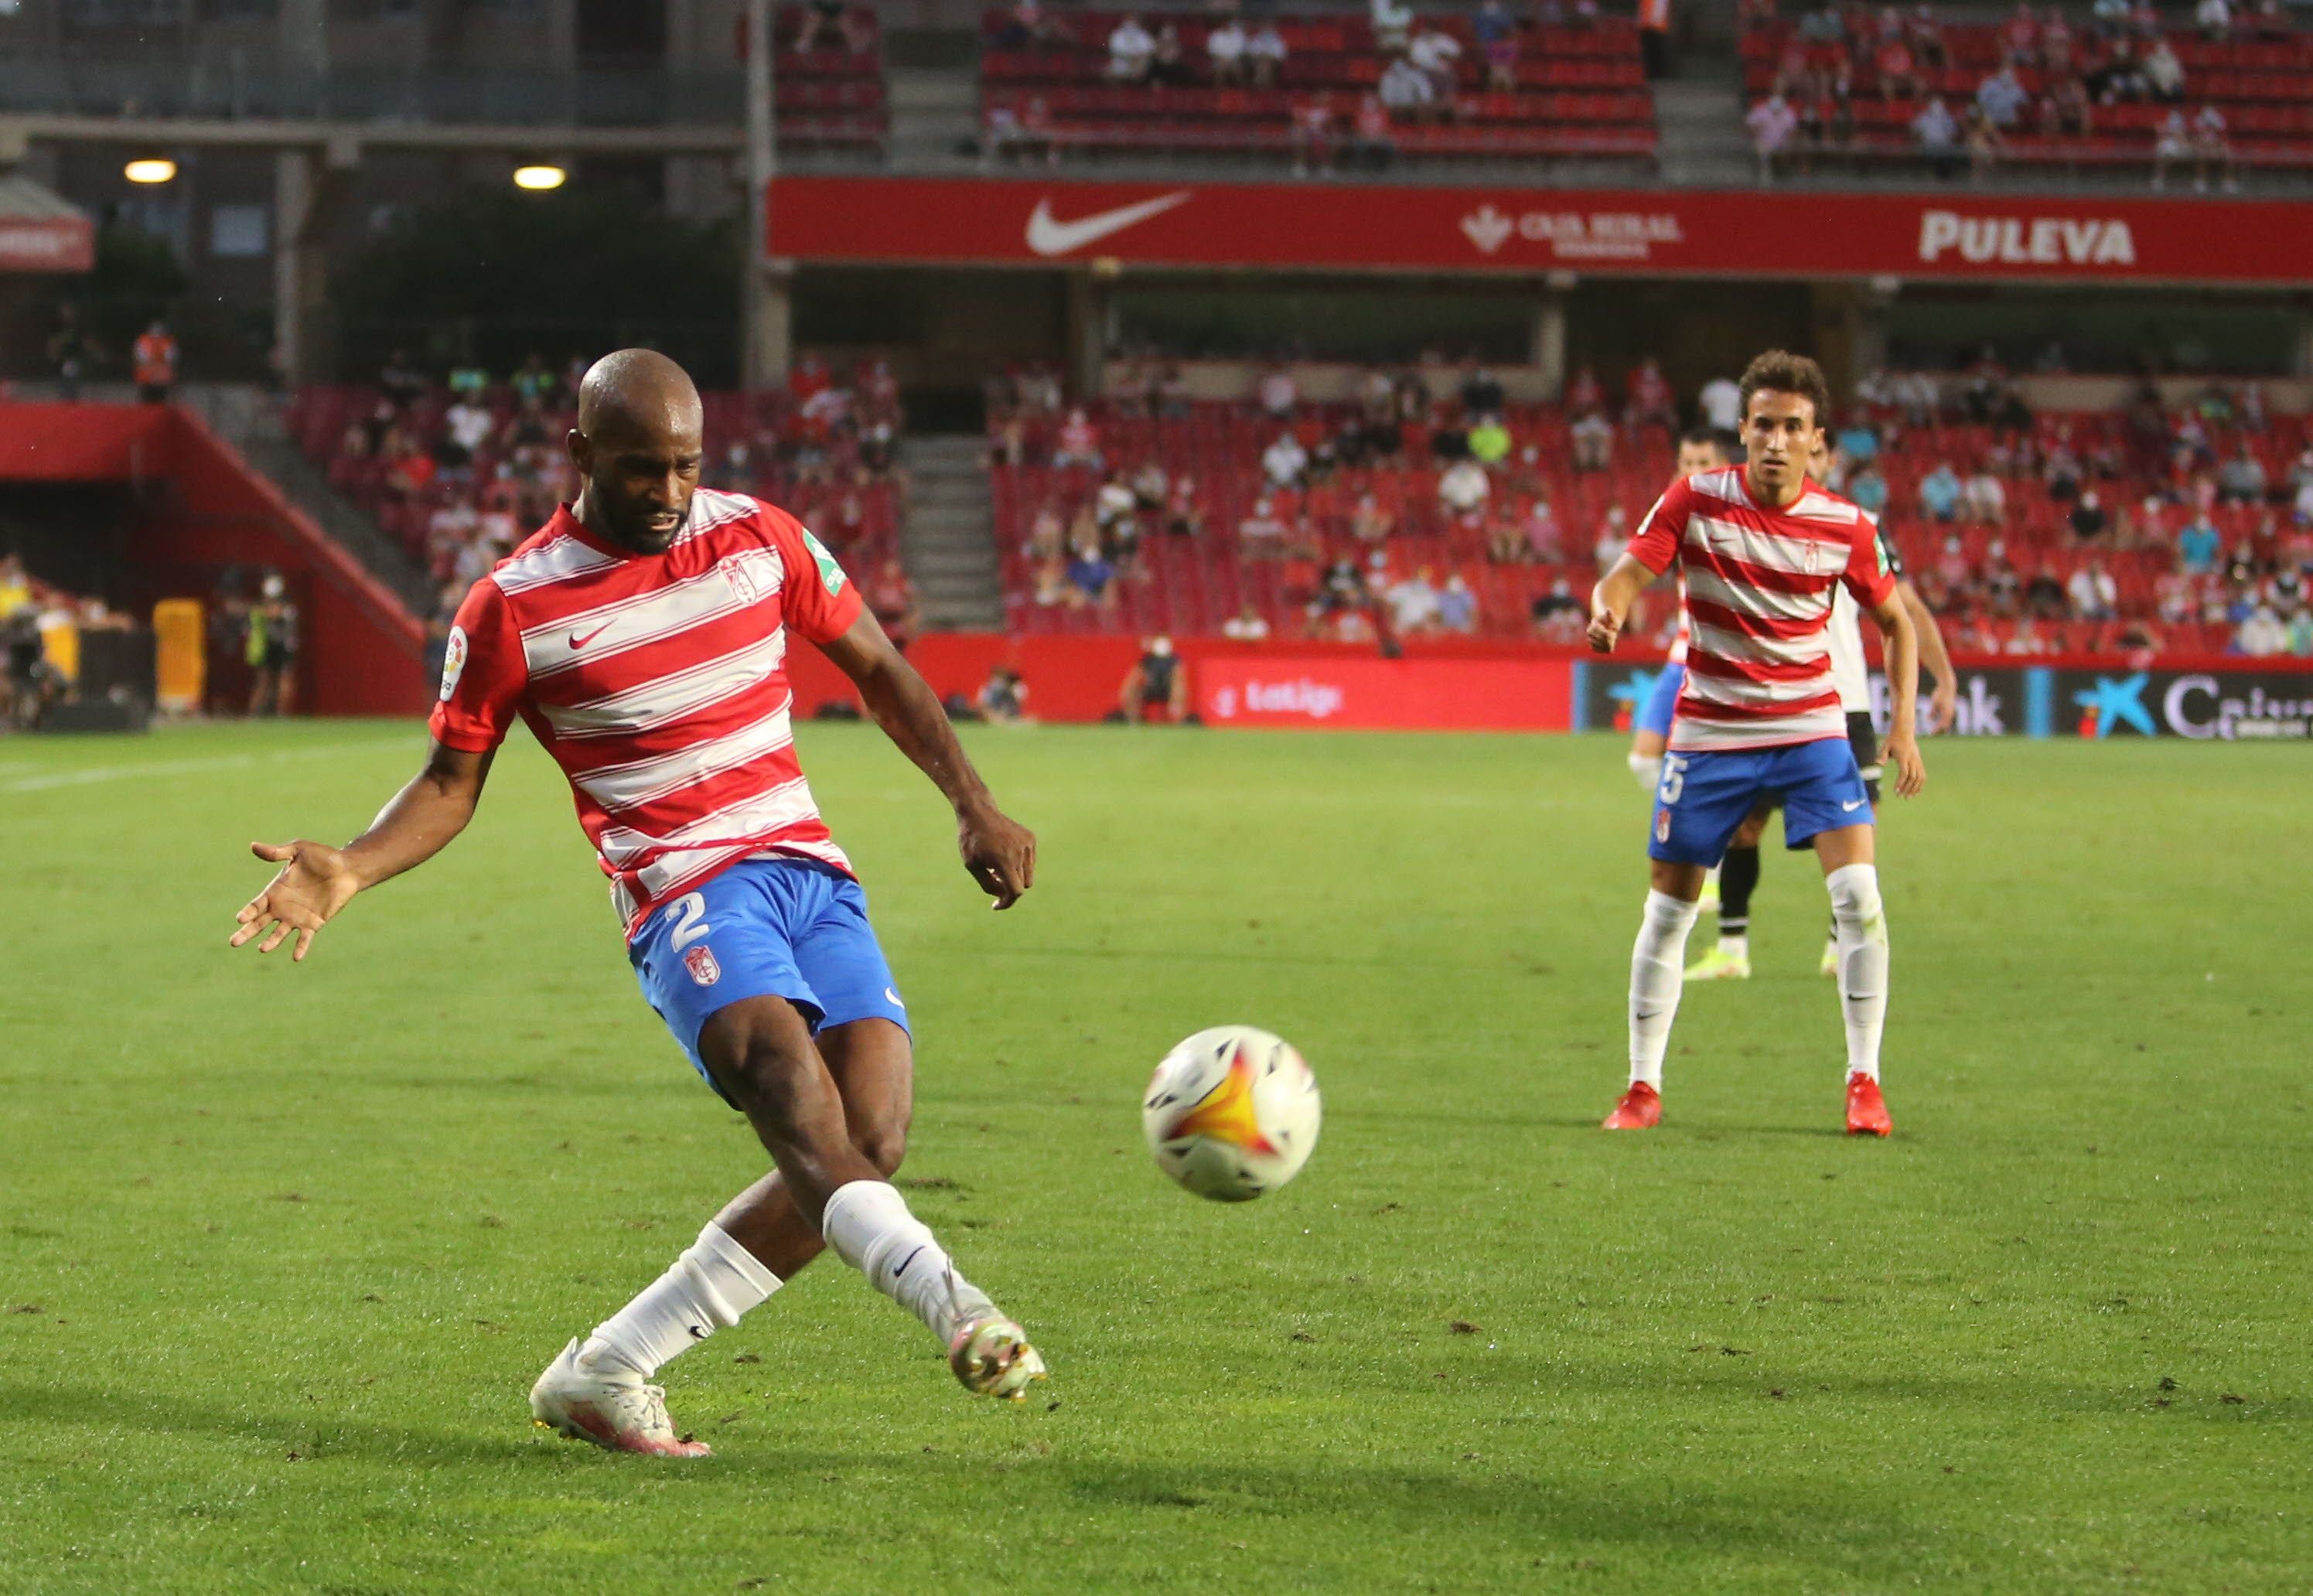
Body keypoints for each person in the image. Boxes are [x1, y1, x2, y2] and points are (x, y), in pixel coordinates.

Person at [227, 350, 1046, 1456]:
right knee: (786, 1089)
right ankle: (959, 1310)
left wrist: (971, 801)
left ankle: (609, 1368)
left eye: (681, 465)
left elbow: (882, 667)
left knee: (869, 1138)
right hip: (683, 893)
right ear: (577, 455)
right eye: (637, 470)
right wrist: (353, 865)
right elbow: (447, 784)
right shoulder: (515, 605)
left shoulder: (759, 536)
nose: (665, 493)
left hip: (809, 872)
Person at [1587, 350, 1925, 1138]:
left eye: (1793, 427)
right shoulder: (1695, 499)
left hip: (1812, 734)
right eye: (1764, 424)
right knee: (1668, 913)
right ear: (1743, 429)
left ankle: (1865, 1083)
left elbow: (1898, 622)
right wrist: (1607, 612)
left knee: (1860, 903)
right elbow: (1627, 575)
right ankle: (1642, 1088)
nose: (1776, 440)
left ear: (1817, 439)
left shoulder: (1846, 525)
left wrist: (1902, 724)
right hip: (1708, 738)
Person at [1686, 431, 1956, 984]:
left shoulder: (1857, 525)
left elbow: (1902, 611)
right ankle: (1732, 948)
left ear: (1828, 458)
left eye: (1811, 452)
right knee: (1743, 828)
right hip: (1767, 702)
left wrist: (1943, 677)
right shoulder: (1750, 520)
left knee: (1856, 834)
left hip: (1844, 703)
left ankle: (1840, 945)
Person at [1626, 428, 1734, 796]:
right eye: (1687, 464)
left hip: (1722, 663)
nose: (1694, 471)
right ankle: (1685, 823)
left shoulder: (1740, 518)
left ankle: (1704, 833)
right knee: (1643, 759)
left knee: (1718, 767)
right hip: (1681, 657)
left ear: (1724, 467)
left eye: (1704, 463)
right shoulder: (1677, 511)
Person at [244, 572, 300, 717]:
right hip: (275, 645)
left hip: (280, 645)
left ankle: (279, 711)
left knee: (280, 679)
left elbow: (274, 615)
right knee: (266, 680)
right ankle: (257, 712)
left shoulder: (282, 608)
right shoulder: (286, 607)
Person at [1119, 635, 1187, 722]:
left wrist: (1176, 697)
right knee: (1132, 690)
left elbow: (1179, 678)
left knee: (1178, 687)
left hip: (1168, 691)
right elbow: (1135, 676)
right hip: (1151, 689)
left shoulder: (1175, 661)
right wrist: (1127, 690)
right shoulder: (1147, 659)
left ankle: (1177, 720)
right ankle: (1133, 722)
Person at [132, 320, 179, 404]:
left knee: (150, 398)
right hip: (158, 376)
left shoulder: (143, 341)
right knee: (156, 398)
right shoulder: (167, 342)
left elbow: (139, 357)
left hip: (150, 376)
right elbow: (172, 358)